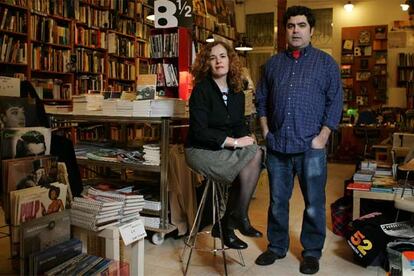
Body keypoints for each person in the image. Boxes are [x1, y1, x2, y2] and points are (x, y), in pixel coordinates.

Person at [255, 6, 343, 274]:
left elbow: (335, 101)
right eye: (291, 25)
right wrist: (267, 131)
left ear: (311, 30)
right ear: (286, 30)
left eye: (301, 25)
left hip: (310, 147)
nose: (296, 30)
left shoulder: (326, 63)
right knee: (277, 202)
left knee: (314, 204)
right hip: (278, 146)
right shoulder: (272, 64)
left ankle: (311, 253)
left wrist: (324, 136)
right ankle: (276, 247)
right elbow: (261, 100)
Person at [185, 41, 263, 249]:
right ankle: (233, 221)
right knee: (247, 163)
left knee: (256, 152)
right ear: (206, 63)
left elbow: (237, 124)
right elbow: (199, 132)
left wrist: (246, 138)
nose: (218, 61)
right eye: (212, 57)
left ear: (230, 60)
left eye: (222, 56)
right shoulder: (201, 90)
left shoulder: (237, 91)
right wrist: (236, 143)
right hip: (200, 150)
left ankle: (232, 219)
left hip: (223, 147)